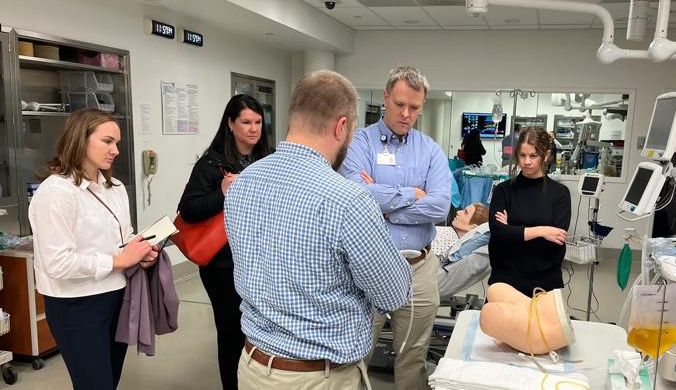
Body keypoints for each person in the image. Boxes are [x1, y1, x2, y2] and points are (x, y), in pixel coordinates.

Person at [225, 70, 412, 390]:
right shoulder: (349, 201)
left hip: (252, 367)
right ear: (342, 126)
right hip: (316, 377)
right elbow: (393, 293)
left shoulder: (241, 184)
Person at [29, 108, 159, 390]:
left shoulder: (115, 187)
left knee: (109, 380)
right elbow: (58, 263)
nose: (115, 150)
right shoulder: (56, 192)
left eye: (117, 143)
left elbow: (123, 238)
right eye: (107, 141)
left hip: (116, 297)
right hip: (76, 306)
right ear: (80, 139)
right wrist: (119, 260)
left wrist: (141, 254)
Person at [340, 66, 451, 390]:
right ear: (386, 97)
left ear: (422, 105)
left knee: (413, 357)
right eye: (399, 104)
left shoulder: (430, 150)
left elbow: (440, 206)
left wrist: (384, 209)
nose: (406, 113)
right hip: (368, 266)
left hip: (419, 268)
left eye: (414, 107)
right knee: (356, 355)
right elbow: (354, 194)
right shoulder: (358, 143)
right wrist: (409, 195)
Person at [177, 94, 271, 390]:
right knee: (231, 331)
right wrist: (223, 192)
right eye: (246, 122)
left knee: (255, 331)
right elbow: (189, 210)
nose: (253, 129)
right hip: (222, 264)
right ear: (230, 124)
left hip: (258, 260)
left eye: (257, 122)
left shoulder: (266, 160)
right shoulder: (211, 163)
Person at [488, 126, 571, 297]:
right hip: (505, 281)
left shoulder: (560, 194)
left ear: (546, 156)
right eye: (522, 155)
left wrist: (513, 230)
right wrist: (542, 231)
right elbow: (498, 233)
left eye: (533, 156)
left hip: (545, 283)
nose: (526, 161)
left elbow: (555, 241)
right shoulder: (503, 191)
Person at [433, 203, 491, 300]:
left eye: (465, 213)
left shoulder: (448, 239)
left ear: (473, 228)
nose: (458, 212)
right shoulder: (450, 236)